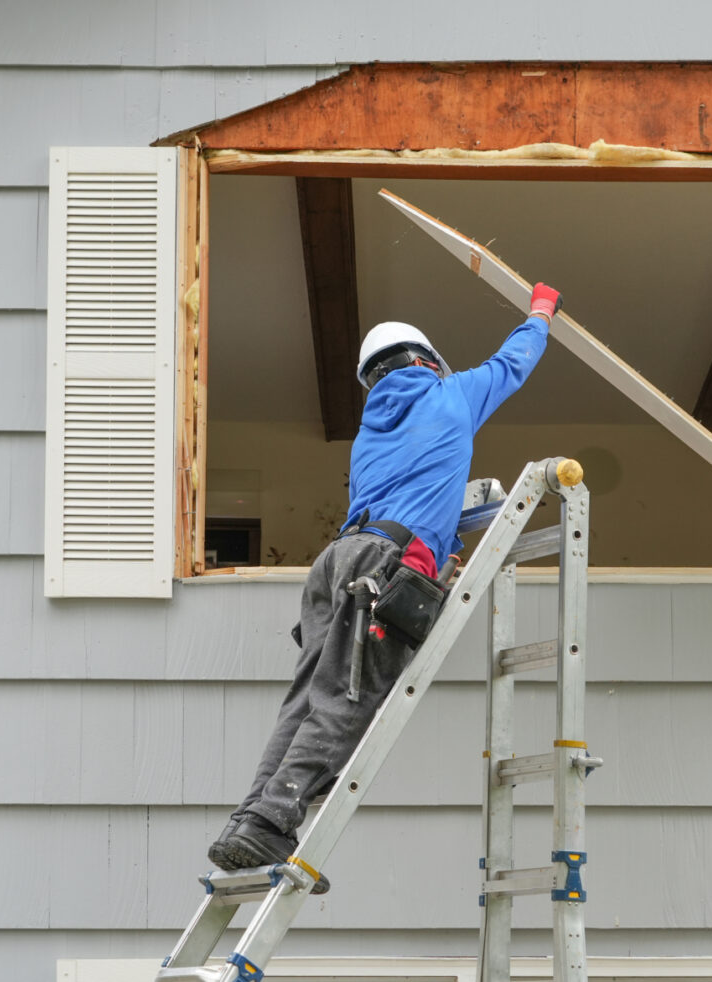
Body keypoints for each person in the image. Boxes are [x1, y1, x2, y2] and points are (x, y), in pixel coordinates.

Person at [207, 282, 563, 890]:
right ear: (427, 361)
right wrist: (540, 312)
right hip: (382, 564)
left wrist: (448, 531)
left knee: (306, 700)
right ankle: (271, 820)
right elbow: (514, 362)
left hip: (335, 564)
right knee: (348, 698)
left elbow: (411, 492)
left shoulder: (371, 430)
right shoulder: (451, 394)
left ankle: (251, 819)